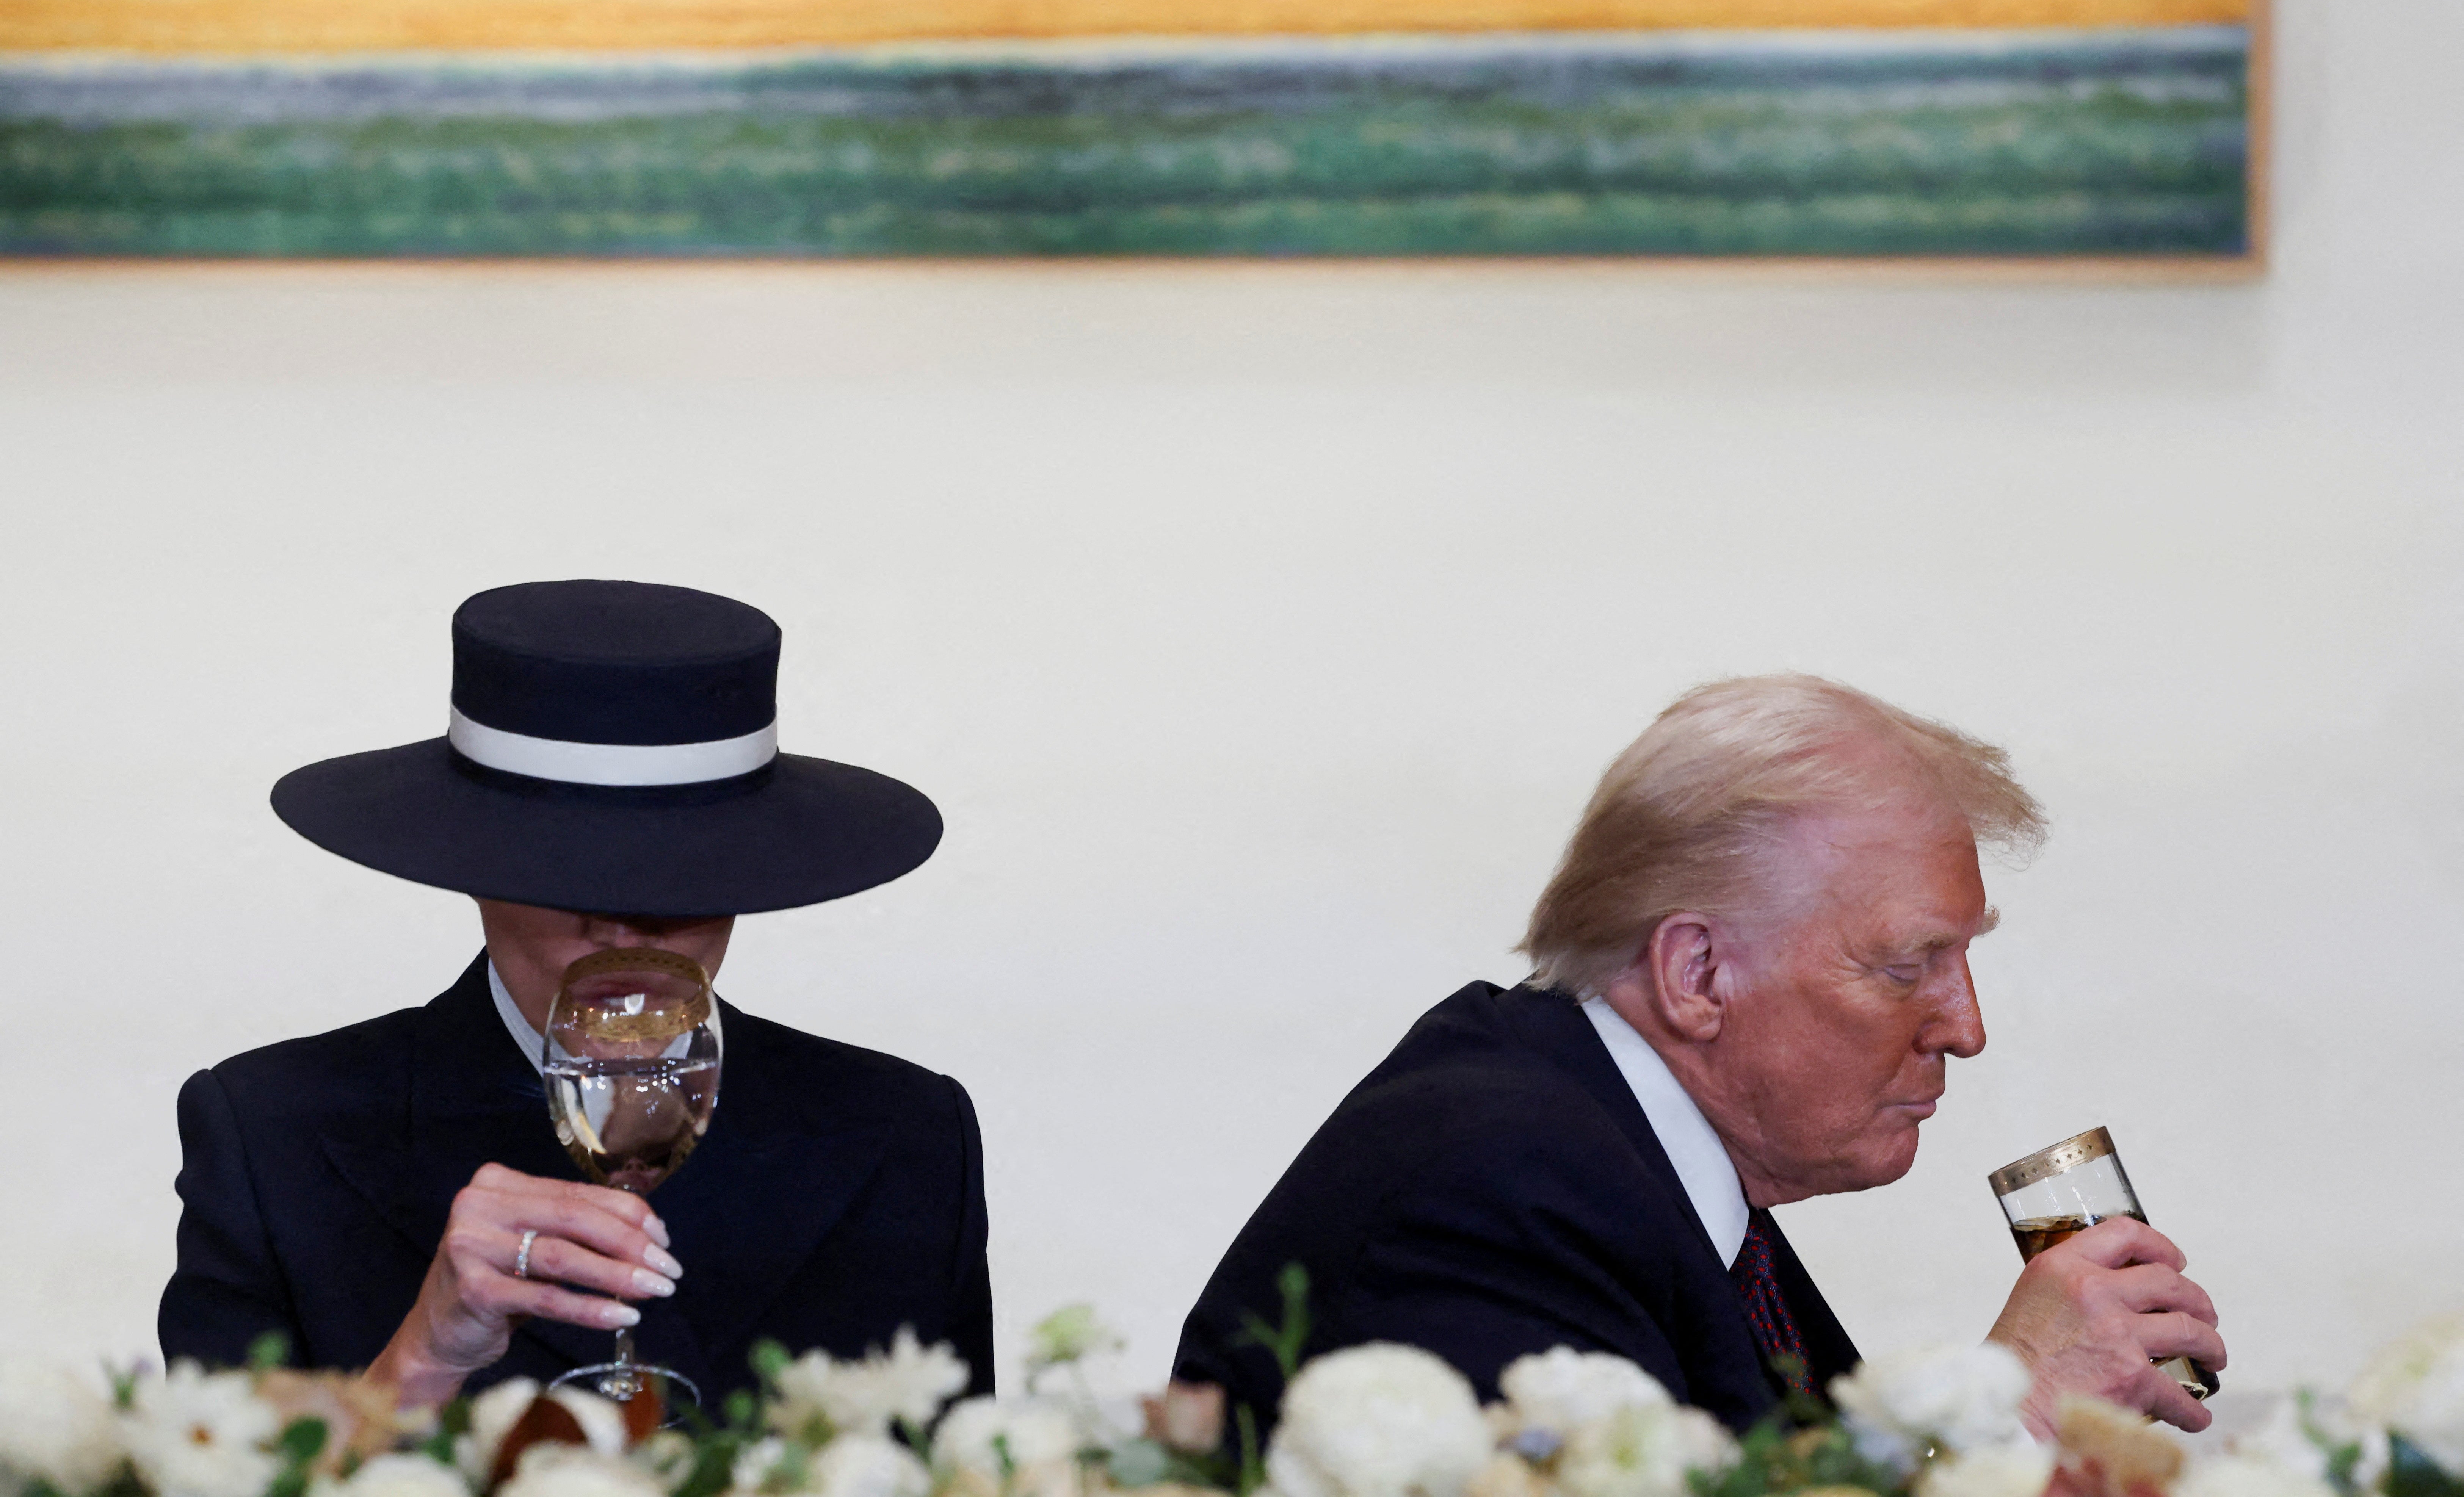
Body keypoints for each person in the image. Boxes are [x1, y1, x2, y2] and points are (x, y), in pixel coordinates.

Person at [1174, 675, 2224, 1440]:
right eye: (1909, 965)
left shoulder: (1622, 1155)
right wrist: (2012, 1411)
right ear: (1698, 972)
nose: (1964, 1024)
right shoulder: (1498, 1185)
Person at [160, 580, 992, 1407]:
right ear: (472, 869)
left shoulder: (907, 1138)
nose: (625, 928)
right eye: (563, 872)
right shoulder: (277, 1134)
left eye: (686, 877)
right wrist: (424, 1360)